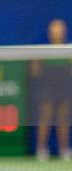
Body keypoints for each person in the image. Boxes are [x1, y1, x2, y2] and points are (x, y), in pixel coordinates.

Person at [31, 19, 72, 162]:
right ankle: (41, 149)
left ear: (64, 32)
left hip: (64, 86)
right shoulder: (43, 49)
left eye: (60, 30)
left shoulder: (69, 49)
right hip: (47, 86)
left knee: (63, 119)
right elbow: (34, 71)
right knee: (45, 118)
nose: (57, 32)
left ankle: (64, 149)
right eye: (54, 30)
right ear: (50, 32)